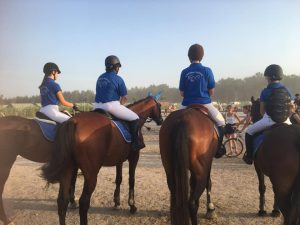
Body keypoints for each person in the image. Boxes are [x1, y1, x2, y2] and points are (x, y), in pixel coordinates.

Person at [179, 44, 226, 156]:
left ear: (189, 56)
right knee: (221, 122)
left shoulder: (184, 72)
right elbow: (211, 91)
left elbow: (182, 93)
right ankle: (219, 148)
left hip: (186, 104)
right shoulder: (207, 70)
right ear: (202, 56)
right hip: (205, 103)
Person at [243, 64, 292, 165]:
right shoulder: (287, 90)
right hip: (286, 120)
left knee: (249, 132)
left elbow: (262, 111)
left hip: (269, 120)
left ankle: (249, 156)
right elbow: (291, 107)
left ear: (269, 77)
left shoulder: (265, 91)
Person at [93, 55, 144, 151]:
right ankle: (135, 143)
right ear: (115, 67)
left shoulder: (100, 77)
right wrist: (121, 105)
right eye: (118, 67)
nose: (118, 69)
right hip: (111, 106)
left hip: (96, 106)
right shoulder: (118, 78)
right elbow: (124, 97)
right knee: (135, 118)